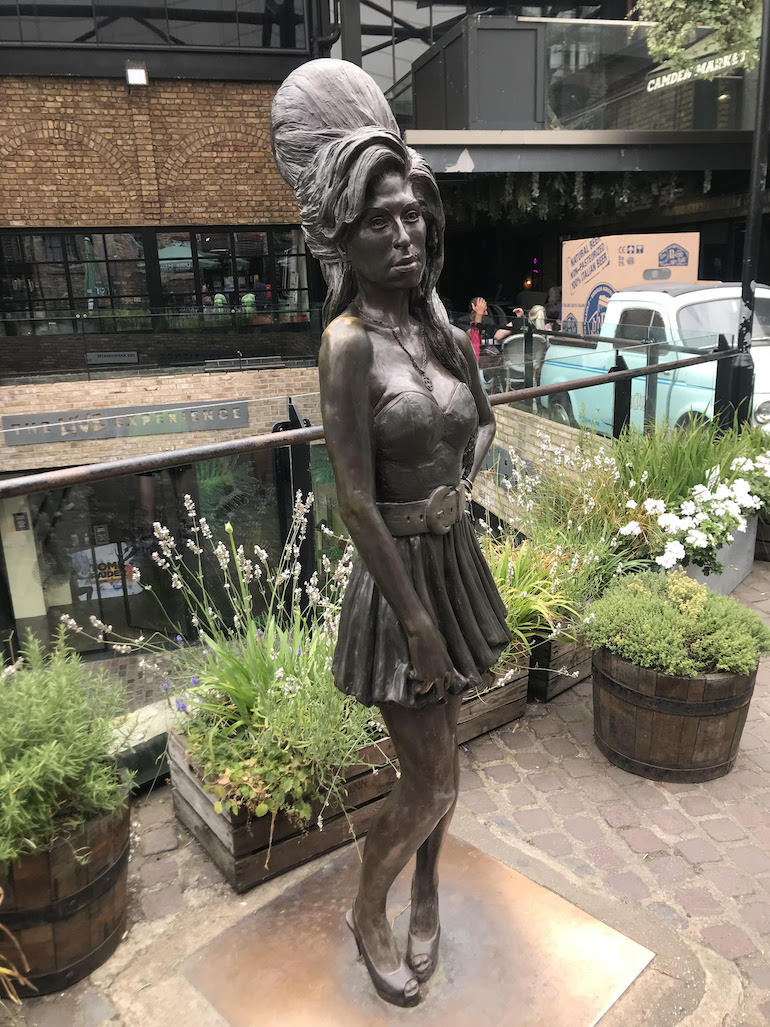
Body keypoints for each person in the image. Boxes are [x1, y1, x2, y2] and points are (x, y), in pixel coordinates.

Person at [271, 60, 511, 1008]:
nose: (403, 233)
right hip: (398, 586)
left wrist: (458, 490)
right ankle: (370, 905)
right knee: (434, 778)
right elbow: (354, 502)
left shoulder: (438, 327)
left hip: (452, 561)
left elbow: (483, 421)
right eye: (380, 220)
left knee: (441, 762)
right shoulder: (347, 345)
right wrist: (413, 620)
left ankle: (425, 886)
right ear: (345, 234)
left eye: (412, 213)